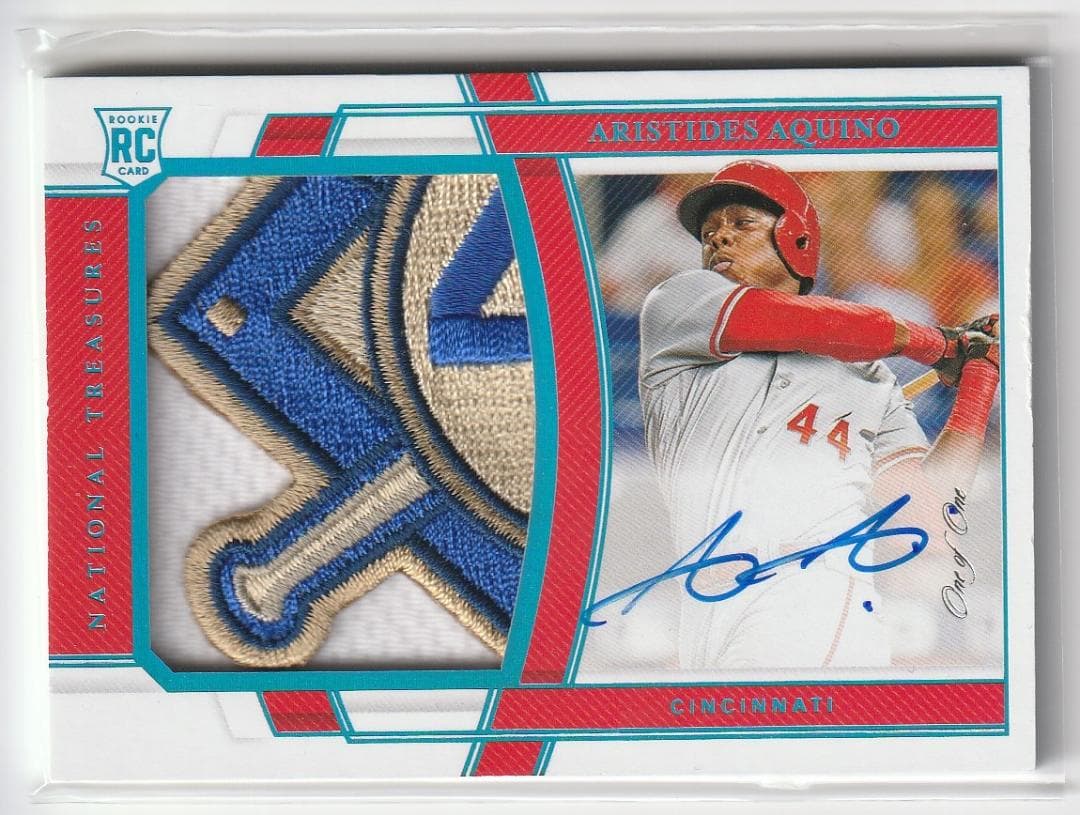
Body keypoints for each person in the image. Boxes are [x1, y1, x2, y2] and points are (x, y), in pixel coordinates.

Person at [637, 160, 999, 670]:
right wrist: (939, 344)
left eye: (741, 223)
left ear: (797, 239)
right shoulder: (678, 303)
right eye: (709, 231)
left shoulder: (869, 377)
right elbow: (802, 323)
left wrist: (981, 376)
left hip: (813, 598)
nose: (719, 238)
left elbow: (928, 504)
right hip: (705, 606)